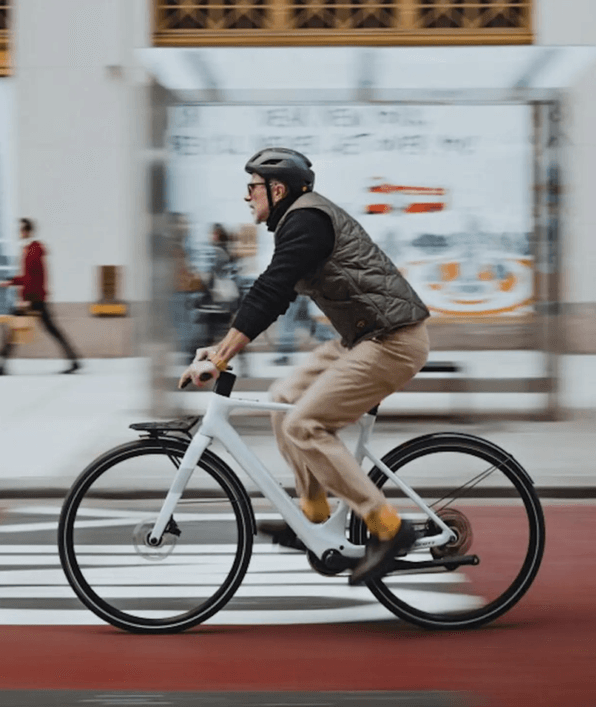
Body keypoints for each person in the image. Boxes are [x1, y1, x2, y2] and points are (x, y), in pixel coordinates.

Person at [178, 148, 431, 586]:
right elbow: (271, 293)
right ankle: (313, 517)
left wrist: (221, 358)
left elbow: (271, 290)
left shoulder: (307, 220)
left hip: (393, 340)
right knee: (283, 397)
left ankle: (389, 528)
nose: (247, 196)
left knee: (304, 425)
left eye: (252, 187)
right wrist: (220, 349)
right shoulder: (300, 220)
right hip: (364, 337)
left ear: (277, 190)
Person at [0, 218, 81, 376]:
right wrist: (9, 282)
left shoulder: (33, 250)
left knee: (13, 327)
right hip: (37, 298)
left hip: (34, 298)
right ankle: (74, 360)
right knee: (52, 329)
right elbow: (27, 277)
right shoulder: (31, 249)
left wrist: (26, 300)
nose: (19, 233)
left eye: (21, 230)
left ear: (26, 231)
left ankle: (1, 365)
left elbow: (34, 278)